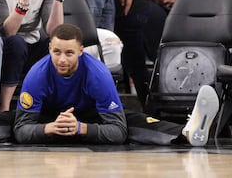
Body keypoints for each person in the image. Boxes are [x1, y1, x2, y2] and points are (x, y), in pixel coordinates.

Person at [13, 23, 219, 146]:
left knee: (134, 122)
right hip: (49, 118)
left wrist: (80, 128)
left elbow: (118, 132)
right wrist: (49, 128)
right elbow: (21, 130)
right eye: (56, 52)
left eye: (69, 53)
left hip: (92, 117)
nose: (62, 60)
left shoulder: (98, 74)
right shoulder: (37, 74)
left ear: (81, 51)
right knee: (8, 122)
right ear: (49, 49)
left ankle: (188, 133)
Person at [0, 0, 75, 112]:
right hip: (1, 46)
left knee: (53, 47)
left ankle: (52, 106)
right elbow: (9, 31)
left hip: (30, 42)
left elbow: (55, 32)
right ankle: (4, 108)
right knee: (16, 43)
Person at [114, 0, 168, 107]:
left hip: (130, 3)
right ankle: (158, 110)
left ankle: (154, 110)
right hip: (142, 2)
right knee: (147, 66)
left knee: (138, 67)